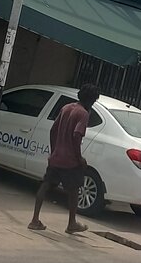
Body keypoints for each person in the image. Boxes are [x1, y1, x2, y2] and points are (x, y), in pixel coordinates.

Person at [28, 84, 100, 235]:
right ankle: (71, 223)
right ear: (91, 100)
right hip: (70, 160)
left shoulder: (66, 108)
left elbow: (53, 130)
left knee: (45, 185)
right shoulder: (83, 114)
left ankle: (34, 219)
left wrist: (53, 151)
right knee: (73, 190)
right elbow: (76, 135)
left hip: (56, 157)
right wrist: (79, 157)